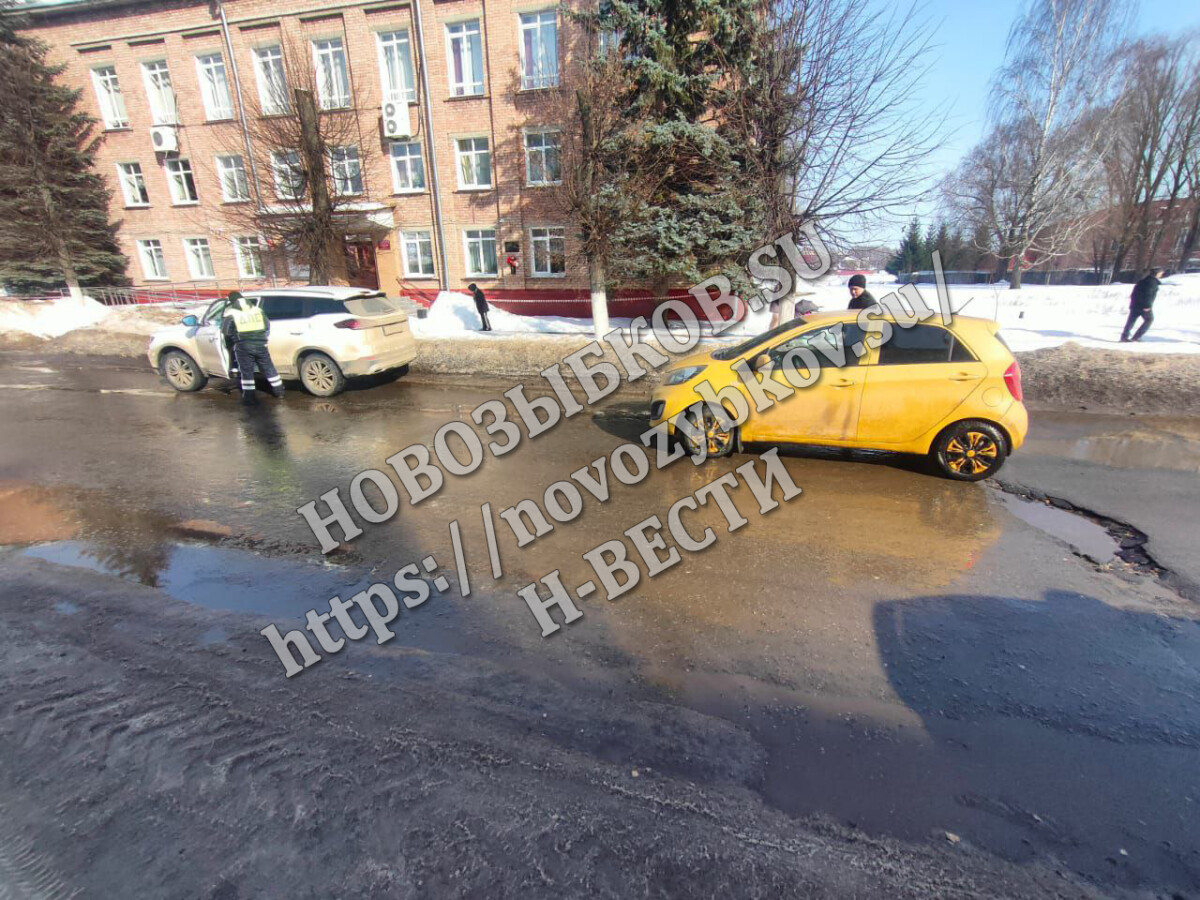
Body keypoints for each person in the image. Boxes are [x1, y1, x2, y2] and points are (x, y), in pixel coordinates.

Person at [220, 291, 284, 405]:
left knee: (247, 371)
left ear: (232, 301)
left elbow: (226, 331)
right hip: (261, 344)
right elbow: (267, 326)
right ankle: (279, 391)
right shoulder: (257, 310)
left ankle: (249, 397)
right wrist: (262, 338)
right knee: (268, 367)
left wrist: (235, 338)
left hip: (243, 345)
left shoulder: (232, 313)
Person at [1121, 268, 1164, 342]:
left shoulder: (1142, 281)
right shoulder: (1152, 282)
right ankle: (1136, 337)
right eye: (1161, 273)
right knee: (1149, 319)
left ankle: (1124, 337)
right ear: (1157, 274)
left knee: (1131, 321)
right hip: (1144, 306)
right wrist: (1147, 306)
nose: (1161, 275)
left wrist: (1133, 303)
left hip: (1135, 304)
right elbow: (1148, 294)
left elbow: (1134, 293)